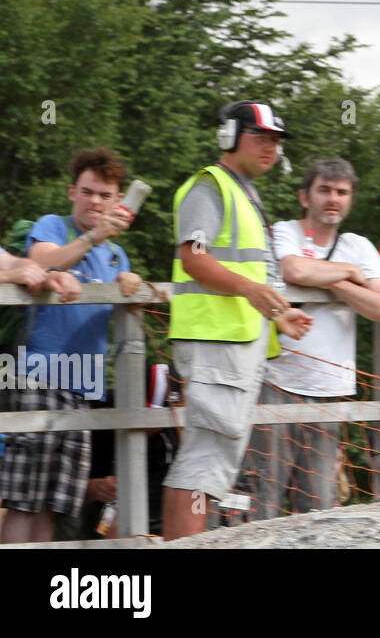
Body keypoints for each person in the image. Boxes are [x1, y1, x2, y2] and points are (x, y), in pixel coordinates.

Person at [162, 101, 312, 540]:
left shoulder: (242, 190)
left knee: (210, 462)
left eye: (276, 141)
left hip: (230, 344)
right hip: (217, 343)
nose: (271, 148)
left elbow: (246, 271)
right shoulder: (211, 186)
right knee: (205, 464)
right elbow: (193, 258)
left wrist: (279, 316)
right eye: (260, 137)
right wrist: (251, 291)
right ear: (230, 136)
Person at [244, 158, 380, 519]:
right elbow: (294, 269)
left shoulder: (358, 245)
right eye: (324, 190)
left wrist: (330, 281)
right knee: (261, 498)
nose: (333, 198)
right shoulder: (285, 232)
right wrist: (350, 275)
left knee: (319, 509)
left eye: (342, 192)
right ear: (304, 196)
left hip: (330, 394)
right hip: (274, 384)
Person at [0, 148, 135, 544]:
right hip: (35, 379)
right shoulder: (53, 226)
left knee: (52, 508)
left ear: (118, 201)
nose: (96, 201)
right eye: (89, 192)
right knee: (24, 502)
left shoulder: (115, 252)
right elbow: (44, 262)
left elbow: (122, 292)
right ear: (72, 191)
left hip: (82, 387)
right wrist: (94, 236)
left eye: (105, 195)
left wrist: (133, 284)